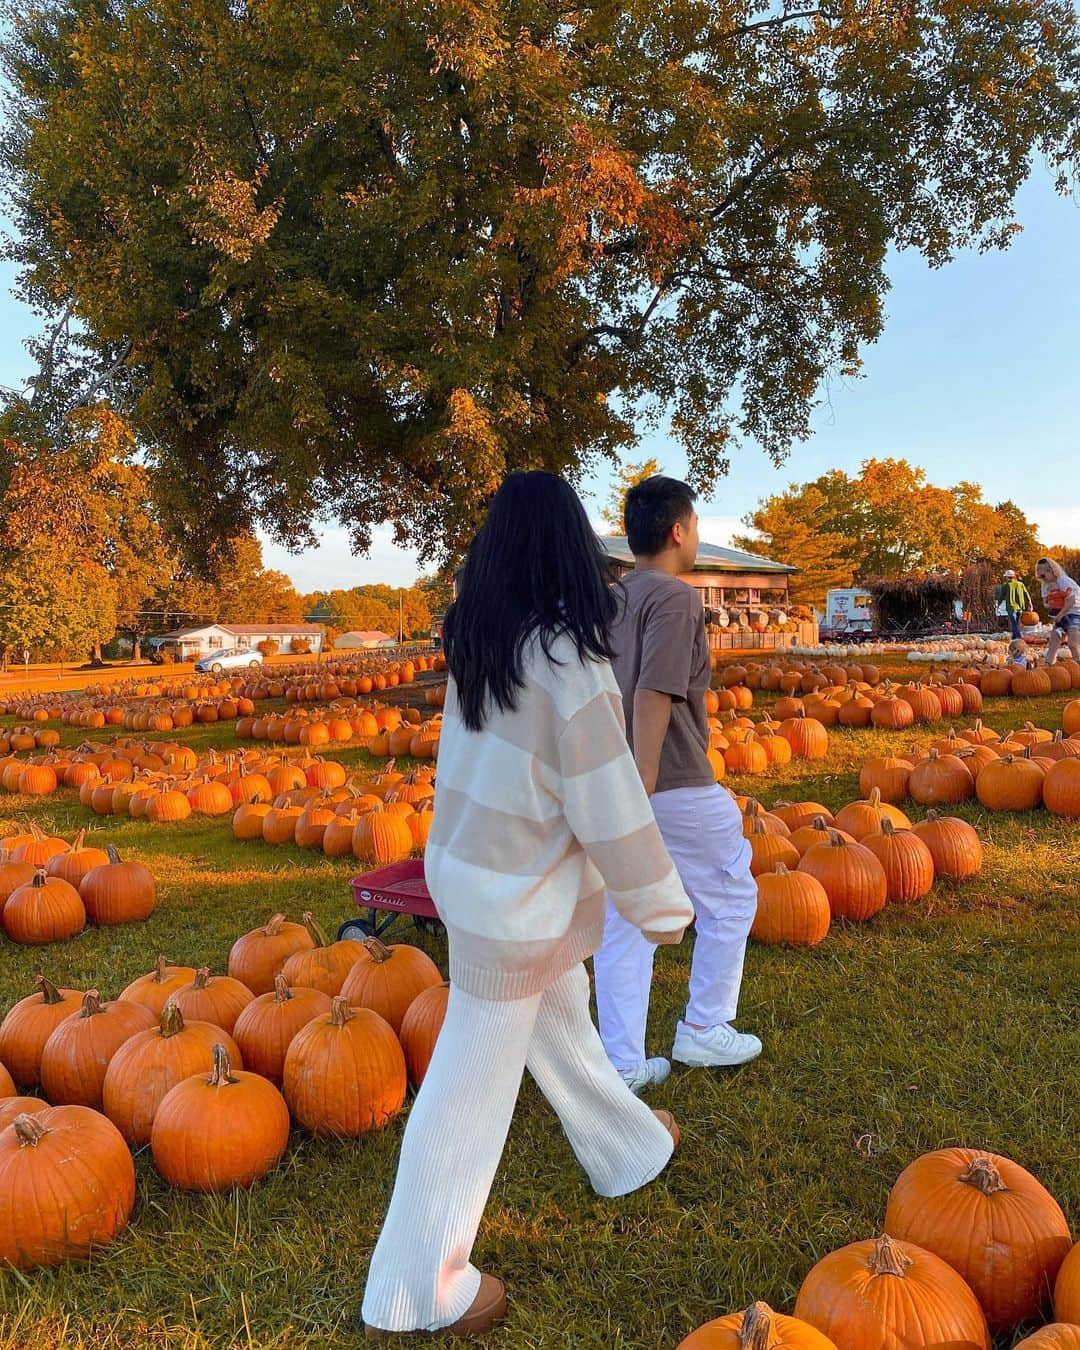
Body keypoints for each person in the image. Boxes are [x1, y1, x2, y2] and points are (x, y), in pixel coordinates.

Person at [361, 472, 694, 1339]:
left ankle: (626, 1149)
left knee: (564, 1017)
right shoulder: (566, 662)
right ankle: (416, 1285)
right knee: (469, 1092)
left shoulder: (486, 642)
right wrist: (661, 906)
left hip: (479, 882)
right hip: (517, 904)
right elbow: (608, 800)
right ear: (571, 550)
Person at [593, 476, 761, 1096]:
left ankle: (622, 1064)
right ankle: (705, 1026)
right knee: (730, 898)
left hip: (614, 783)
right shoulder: (676, 598)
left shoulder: (609, 600)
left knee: (625, 919)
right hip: (674, 781)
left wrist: (621, 789)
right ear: (678, 531)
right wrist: (643, 781)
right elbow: (656, 689)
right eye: (696, 526)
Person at [1035, 556, 1080, 665]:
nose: (1042, 576)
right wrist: (1049, 604)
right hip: (1061, 614)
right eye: (1039, 573)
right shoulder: (1044, 583)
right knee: (1053, 642)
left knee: (1072, 643)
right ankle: (1048, 666)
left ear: (1052, 571)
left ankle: (1078, 665)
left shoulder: (1063, 581)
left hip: (1075, 613)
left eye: (1044, 573)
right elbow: (1045, 601)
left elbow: (1072, 601)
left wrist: (1060, 614)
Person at [995, 570, 1033, 640]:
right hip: (1020, 607)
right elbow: (1026, 593)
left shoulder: (1006, 586)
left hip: (1011, 607)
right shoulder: (1021, 584)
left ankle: (1018, 637)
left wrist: (998, 606)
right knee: (1016, 623)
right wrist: (1030, 603)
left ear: (1006, 577)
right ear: (1014, 576)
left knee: (1014, 623)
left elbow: (1001, 597)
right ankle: (1014, 637)